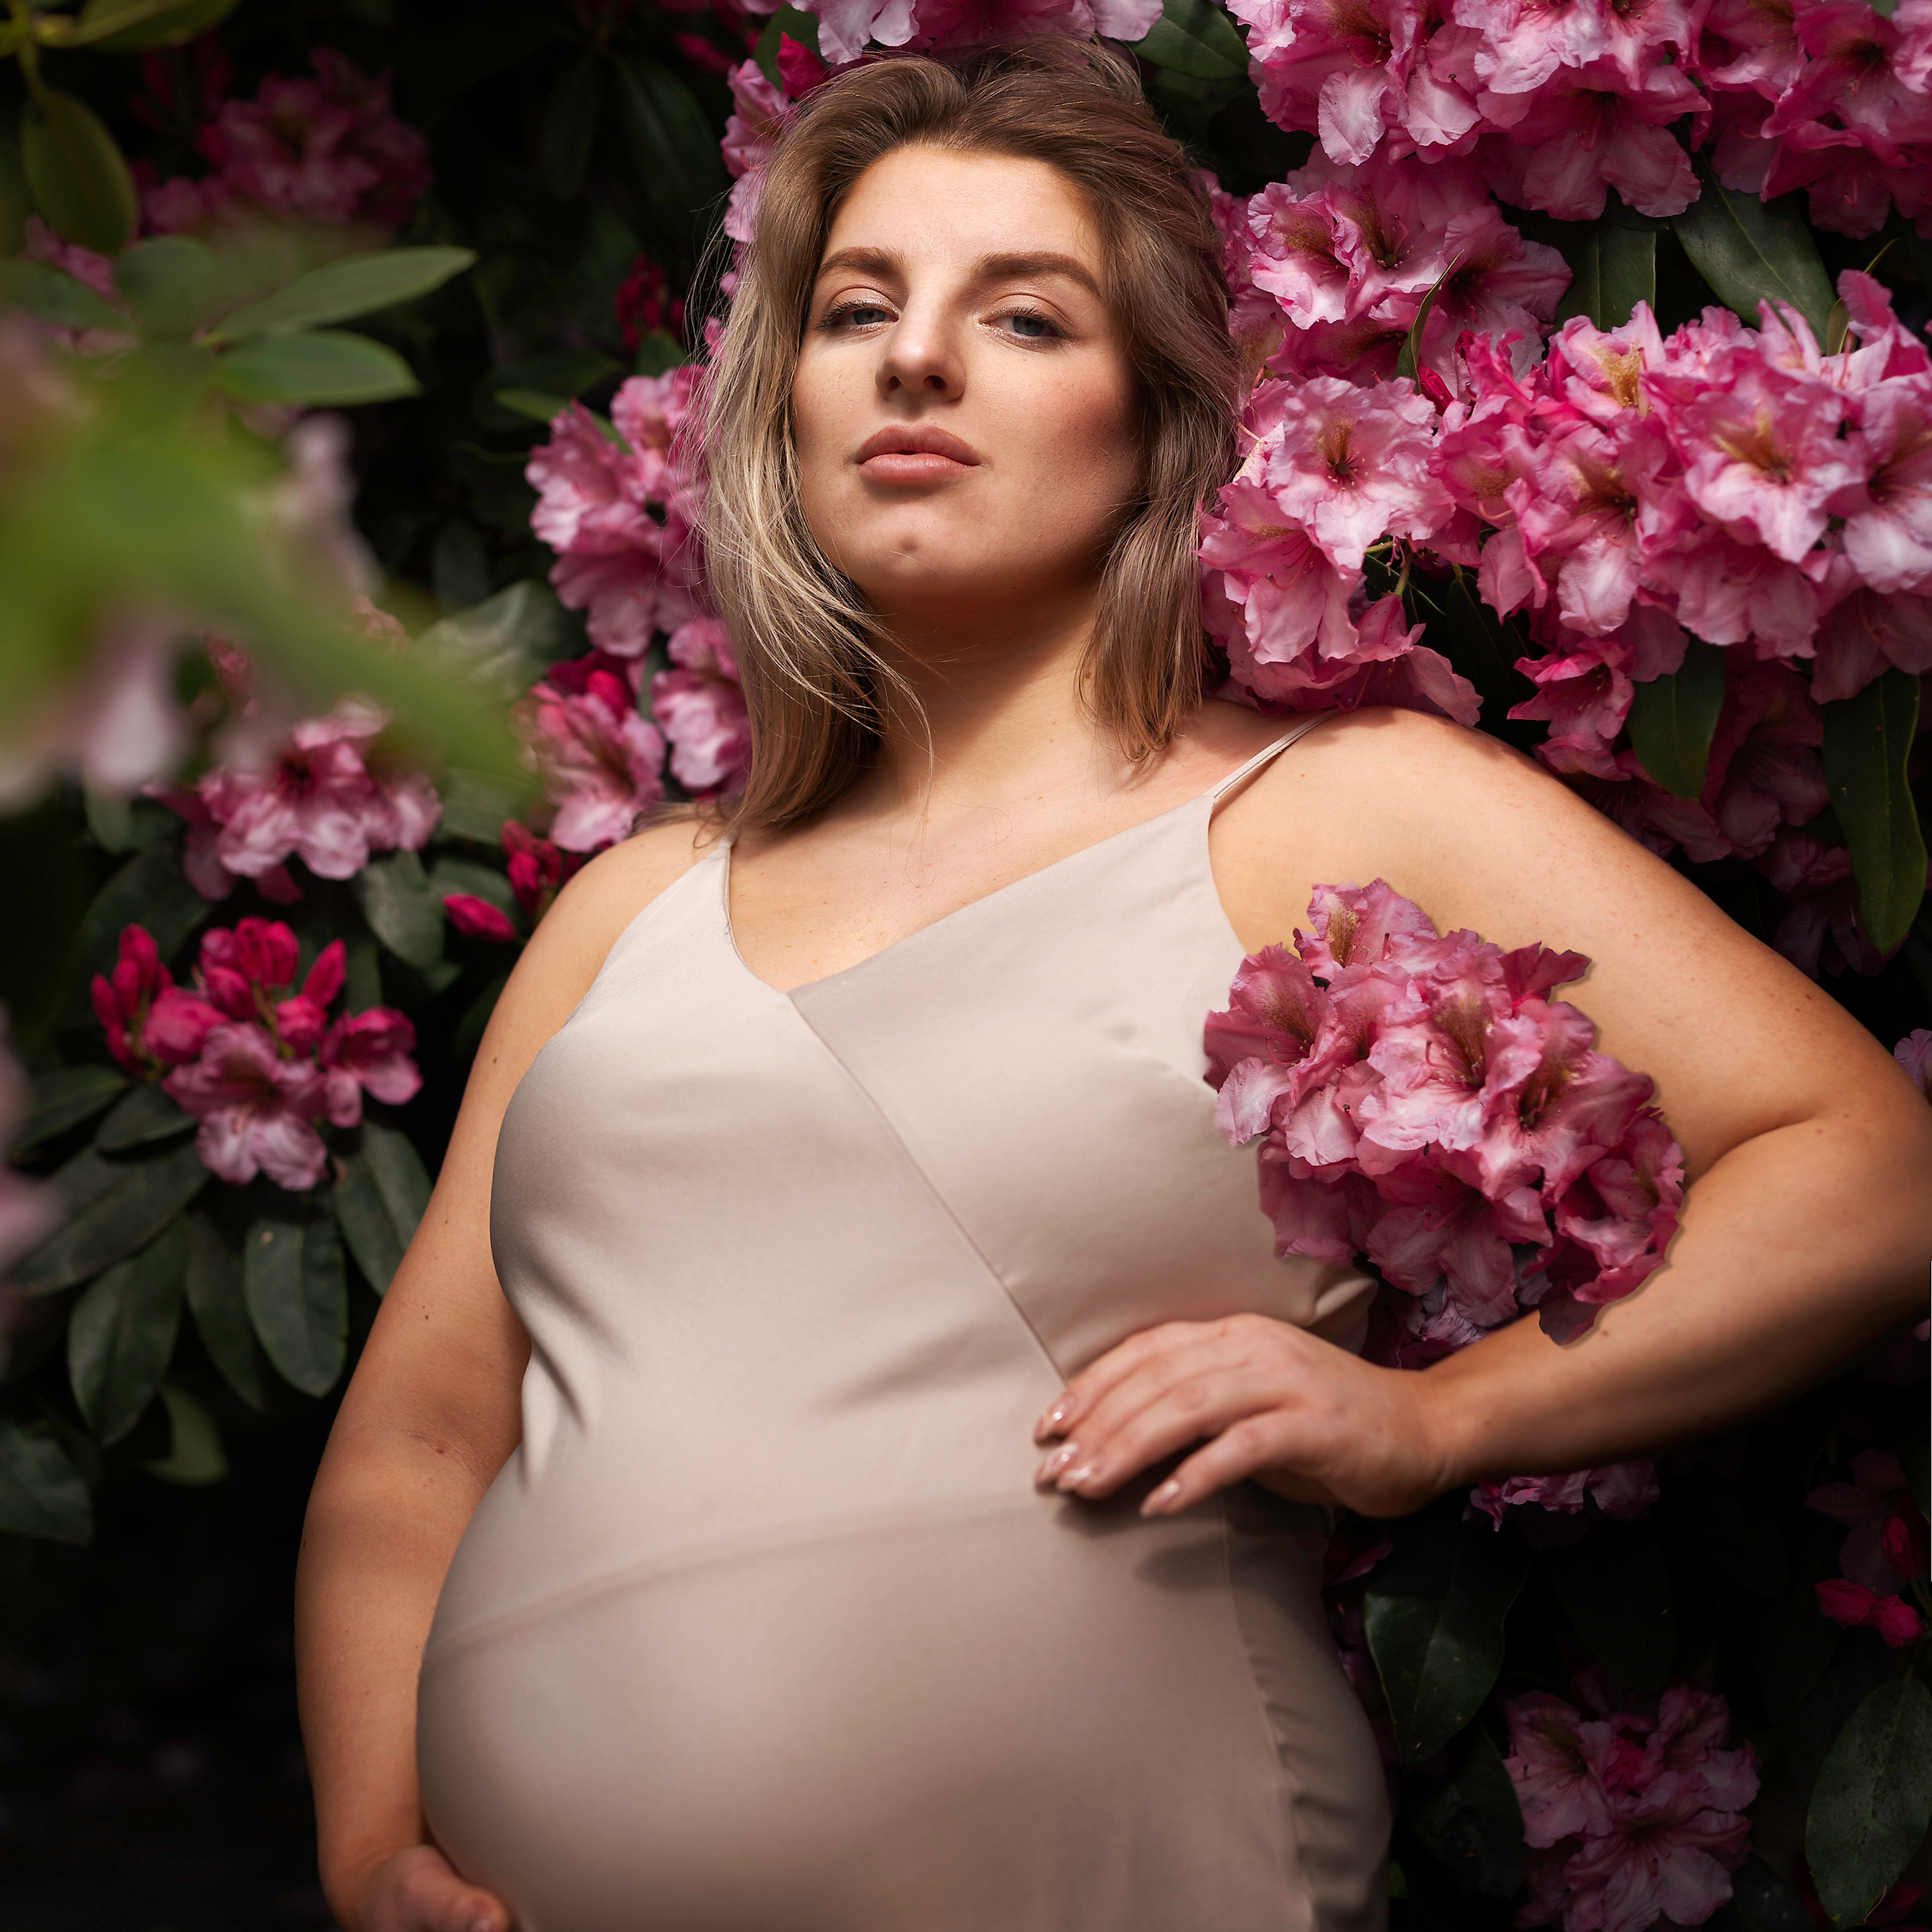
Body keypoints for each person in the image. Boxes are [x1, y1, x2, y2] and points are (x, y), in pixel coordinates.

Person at [294, 42, 1932, 1932]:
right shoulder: (629, 906)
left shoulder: (1333, 807)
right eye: (854, 308)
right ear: (786, 406)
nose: (913, 358)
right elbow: (417, 1443)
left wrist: (1437, 1419)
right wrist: (366, 1851)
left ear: (1153, 425)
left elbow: (1866, 1169)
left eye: (1020, 313)